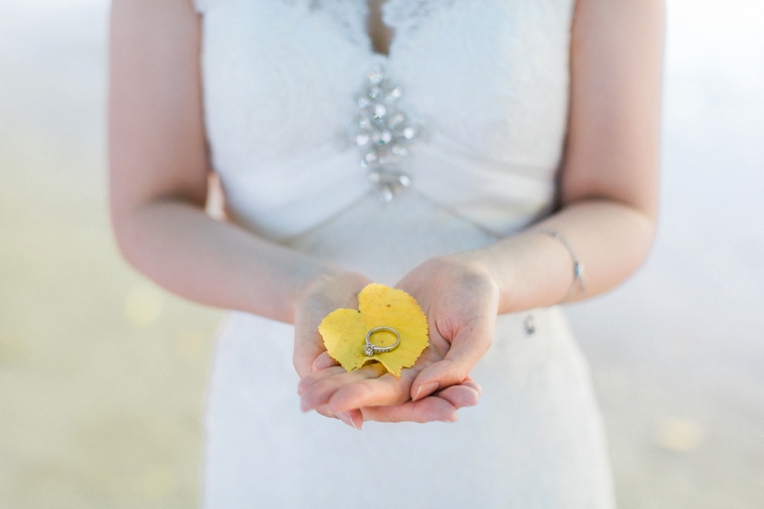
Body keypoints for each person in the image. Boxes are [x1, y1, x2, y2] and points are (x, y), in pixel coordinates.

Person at [108, 0, 664, 507]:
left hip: (514, 434)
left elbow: (620, 210)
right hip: (283, 425)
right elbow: (150, 210)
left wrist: (491, 276)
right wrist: (300, 289)